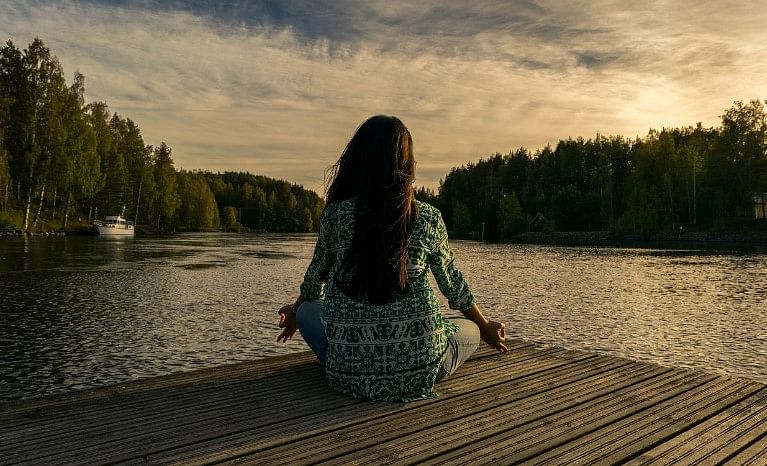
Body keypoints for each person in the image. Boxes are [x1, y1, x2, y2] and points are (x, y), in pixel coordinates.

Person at [276, 115, 507, 402]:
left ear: (357, 161)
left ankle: (353, 359)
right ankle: (435, 345)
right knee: (469, 328)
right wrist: (486, 328)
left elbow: (314, 281)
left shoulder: (335, 215)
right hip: (422, 370)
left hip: (349, 374)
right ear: (407, 165)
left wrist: (297, 311)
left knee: (309, 309)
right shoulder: (427, 217)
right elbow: (454, 287)